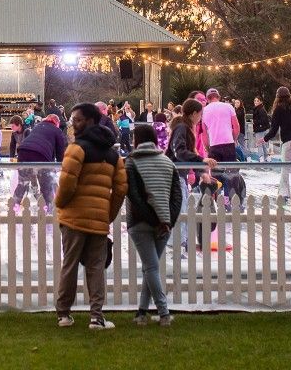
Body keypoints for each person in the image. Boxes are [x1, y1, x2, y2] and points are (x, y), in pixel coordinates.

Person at [54, 103, 128, 330]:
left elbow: (66, 183)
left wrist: (60, 205)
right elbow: (121, 189)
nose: (73, 123)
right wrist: (108, 214)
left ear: (90, 121)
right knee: (96, 267)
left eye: (77, 120)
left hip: (73, 218)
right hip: (98, 220)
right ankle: (97, 317)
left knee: (70, 264)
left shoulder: (76, 149)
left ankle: (64, 314)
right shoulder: (113, 155)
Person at [126, 123, 182, 327]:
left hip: (139, 223)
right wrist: (167, 221)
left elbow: (133, 195)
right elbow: (177, 196)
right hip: (164, 223)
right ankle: (141, 312)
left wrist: (151, 219)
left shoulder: (131, 162)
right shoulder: (168, 162)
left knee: (150, 267)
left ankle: (163, 312)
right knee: (152, 267)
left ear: (137, 140)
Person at [165, 99, 218, 253]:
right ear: (194, 113)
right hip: (174, 174)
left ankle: (179, 244)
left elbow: (189, 153)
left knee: (182, 209)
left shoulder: (185, 128)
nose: (201, 118)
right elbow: (180, 152)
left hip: (178, 174)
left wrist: (200, 171)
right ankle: (176, 245)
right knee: (180, 210)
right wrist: (201, 161)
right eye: (200, 114)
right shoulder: (182, 128)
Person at [12, 112, 68, 210]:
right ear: (57, 123)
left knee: (23, 183)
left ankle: (14, 207)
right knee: (46, 185)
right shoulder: (56, 130)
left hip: (23, 152)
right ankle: (49, 208)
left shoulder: (37, 127)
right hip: (40, 155)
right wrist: (59, 165)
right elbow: (60, 150)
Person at [200, 88, 239, 163]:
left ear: (207, 99)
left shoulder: (204, 111)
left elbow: (203, 134)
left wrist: (208, 149)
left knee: (216, 173)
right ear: (219, 97)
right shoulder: (228, 107)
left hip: (214, 145)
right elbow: (236, 126)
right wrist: (233, 139)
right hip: (228, 144)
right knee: (232, 173)